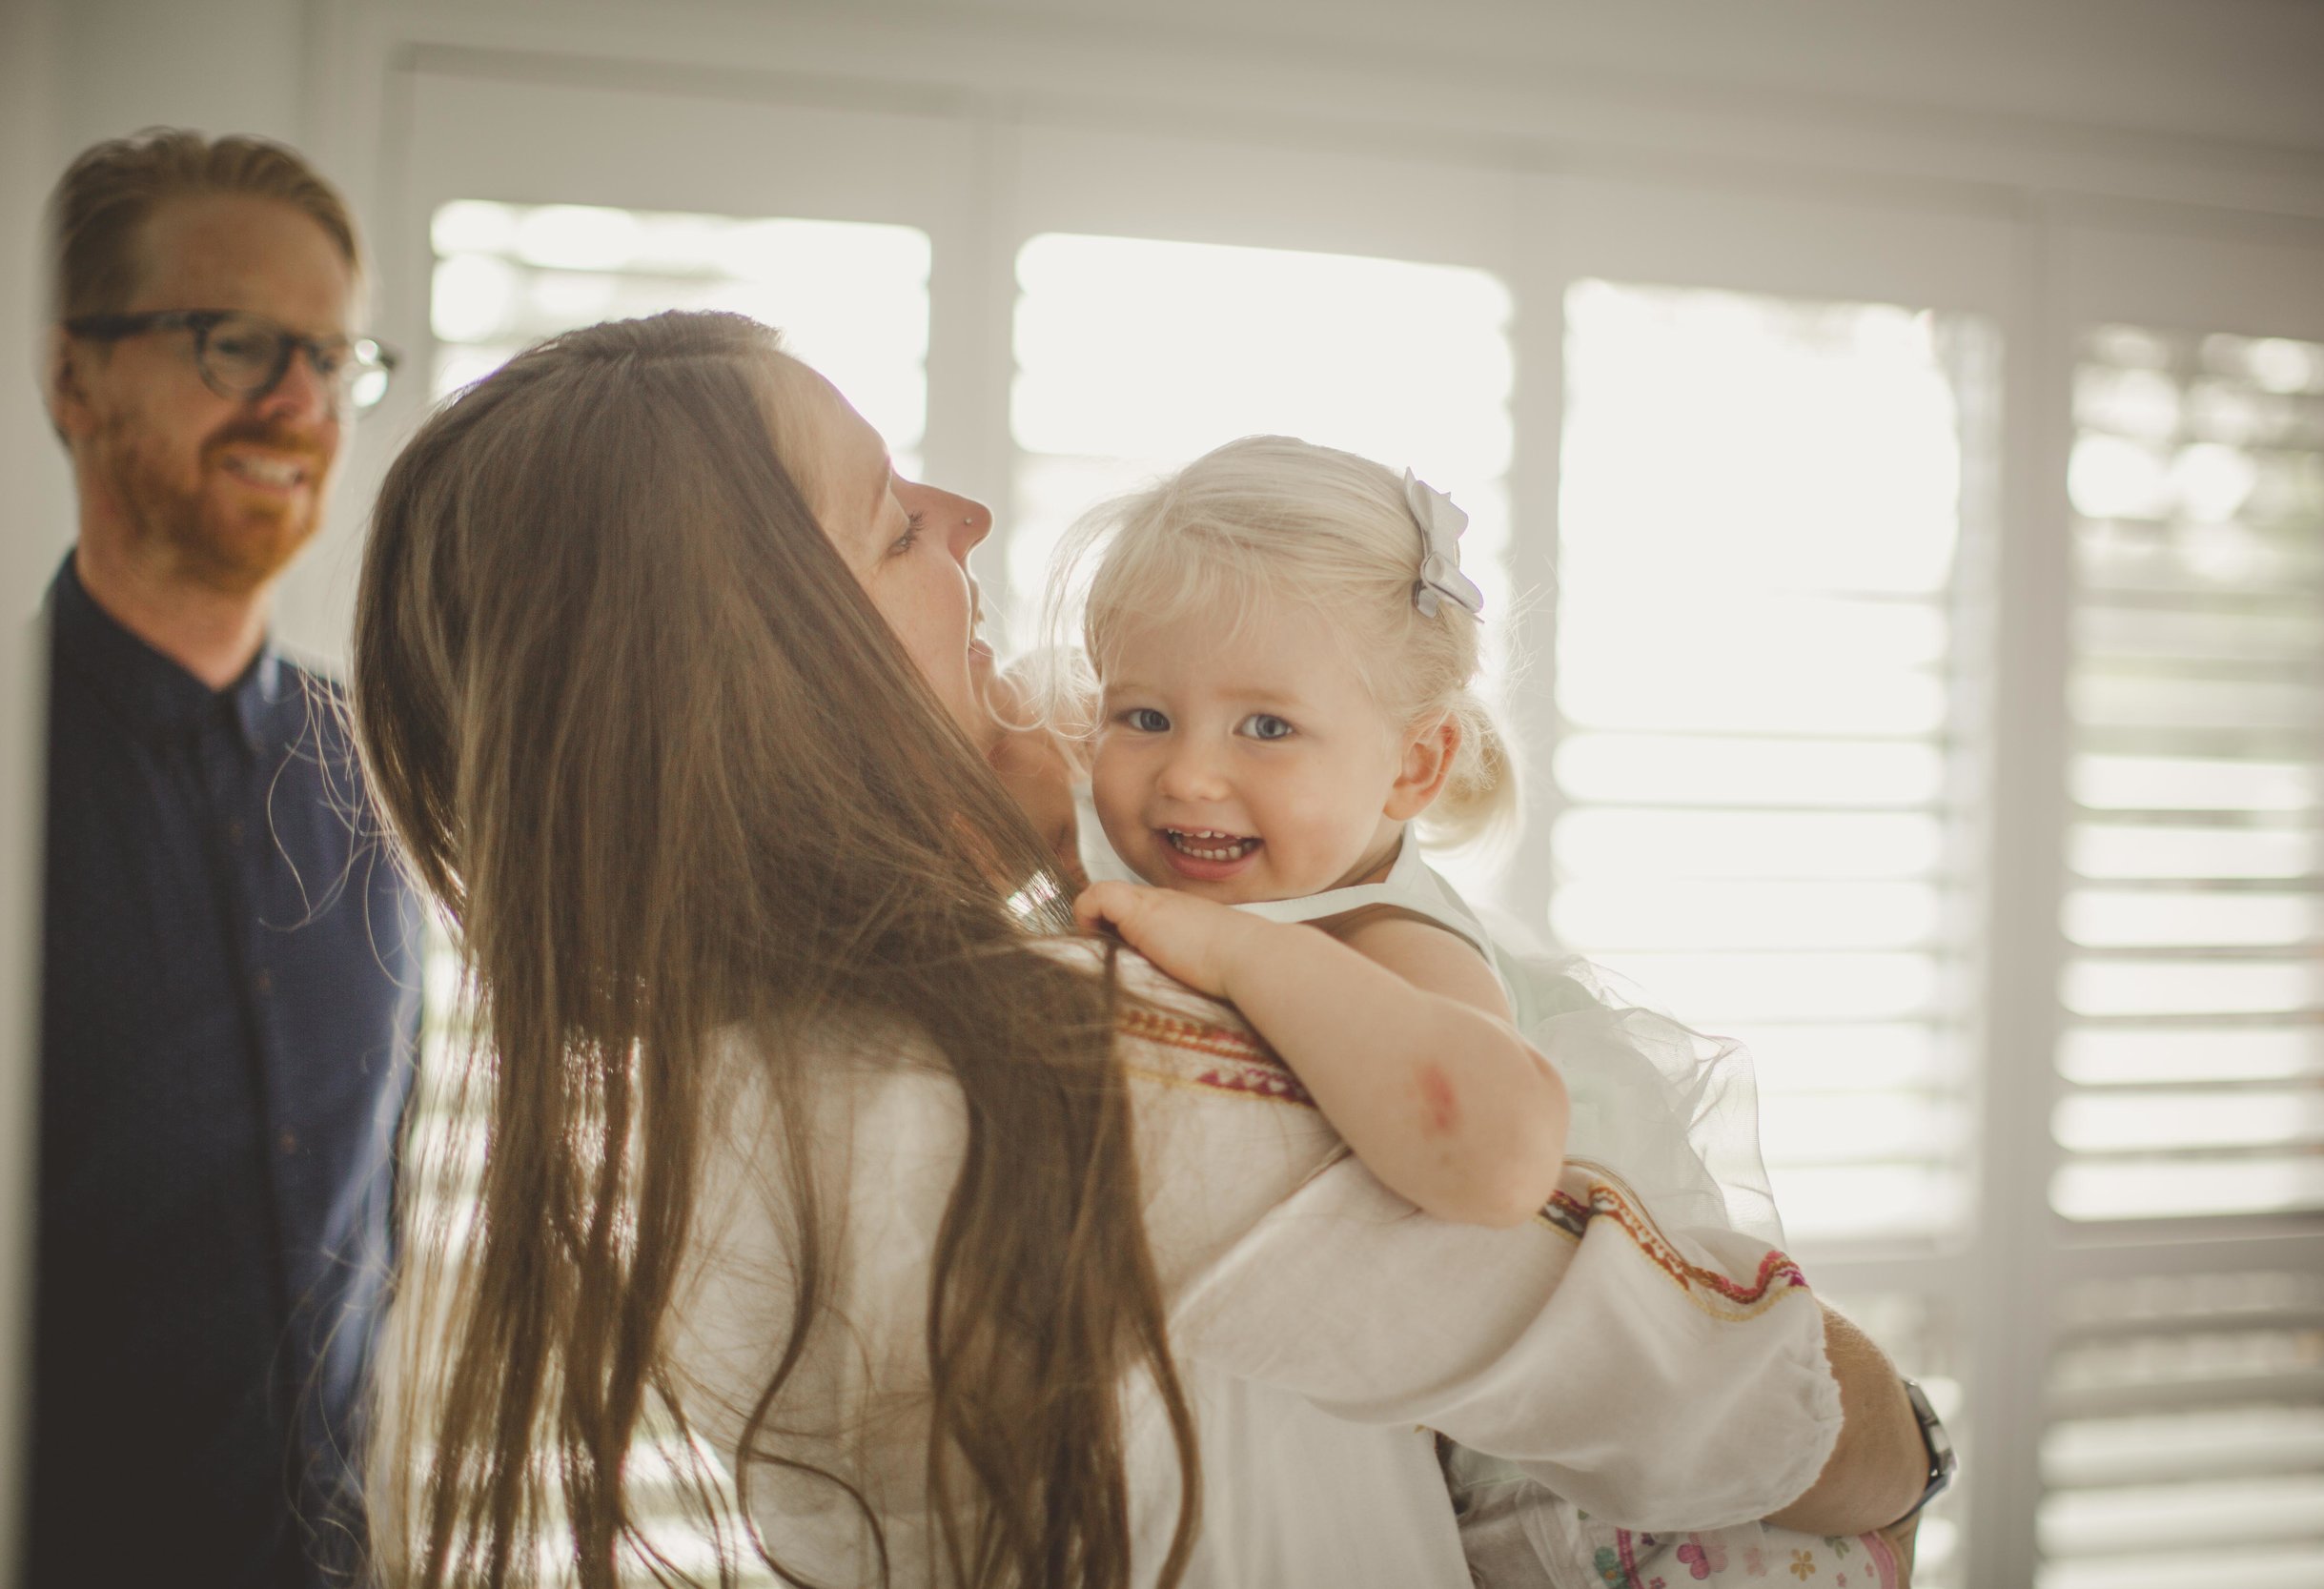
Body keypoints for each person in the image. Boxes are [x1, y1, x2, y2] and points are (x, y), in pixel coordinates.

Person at [354, 312, 1930, 1589]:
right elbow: (1686, 1385)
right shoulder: (1089, 1079)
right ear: (772, 676)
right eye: (898, 523)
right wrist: (1909, 1447)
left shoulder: (693, 1094)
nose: (966, 518)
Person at [1045, 434, 1921, 1585]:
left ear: (1413, 769)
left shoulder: (1380, 934)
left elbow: (1499, 1160)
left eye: (1265, 727)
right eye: (1142, 716)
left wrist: (1233, 949)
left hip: (1620, 1518)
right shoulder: (1255, 878)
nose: (1187, 776)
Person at [31, 129, 416, 1588]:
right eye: (238, 340)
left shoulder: (377, 771)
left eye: (329, 354)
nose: (299, 400)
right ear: (77, 377)